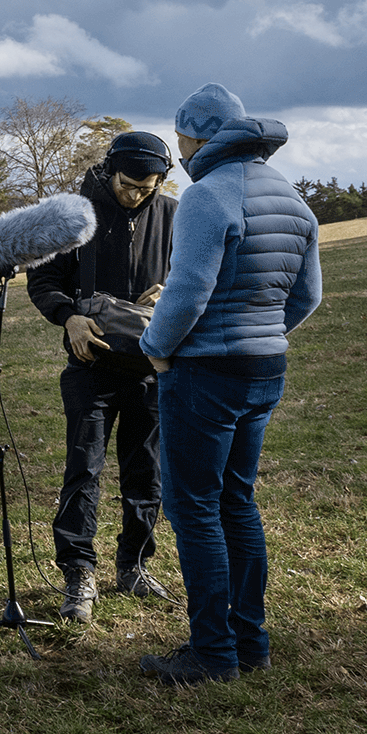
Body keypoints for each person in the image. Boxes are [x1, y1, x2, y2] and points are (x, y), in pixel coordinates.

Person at [136, 83, 322, 685]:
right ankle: (251, 642)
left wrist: (155, 348)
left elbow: (187, 290)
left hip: (204, 373)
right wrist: (264, 330)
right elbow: (308, 295)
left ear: (200, 135)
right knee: (237, 502)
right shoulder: (292, 198)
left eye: (181, 135)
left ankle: (212, 654)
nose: (179, 147)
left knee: (193, 508)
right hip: (266, 368)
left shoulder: (206, 197)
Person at [27, 131, 179, 624]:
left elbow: (195, 278)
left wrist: (169, 297)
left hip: (151, 369)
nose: (135, 195)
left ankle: (133, 566)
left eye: (146, 187)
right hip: (90, 367)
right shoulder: (73, 216)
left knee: (146, 473)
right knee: (83, 470)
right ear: (109, 170)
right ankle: (78, 573)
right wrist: (68, 315)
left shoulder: (174, 215)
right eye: (127, 184)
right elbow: (42, 278)